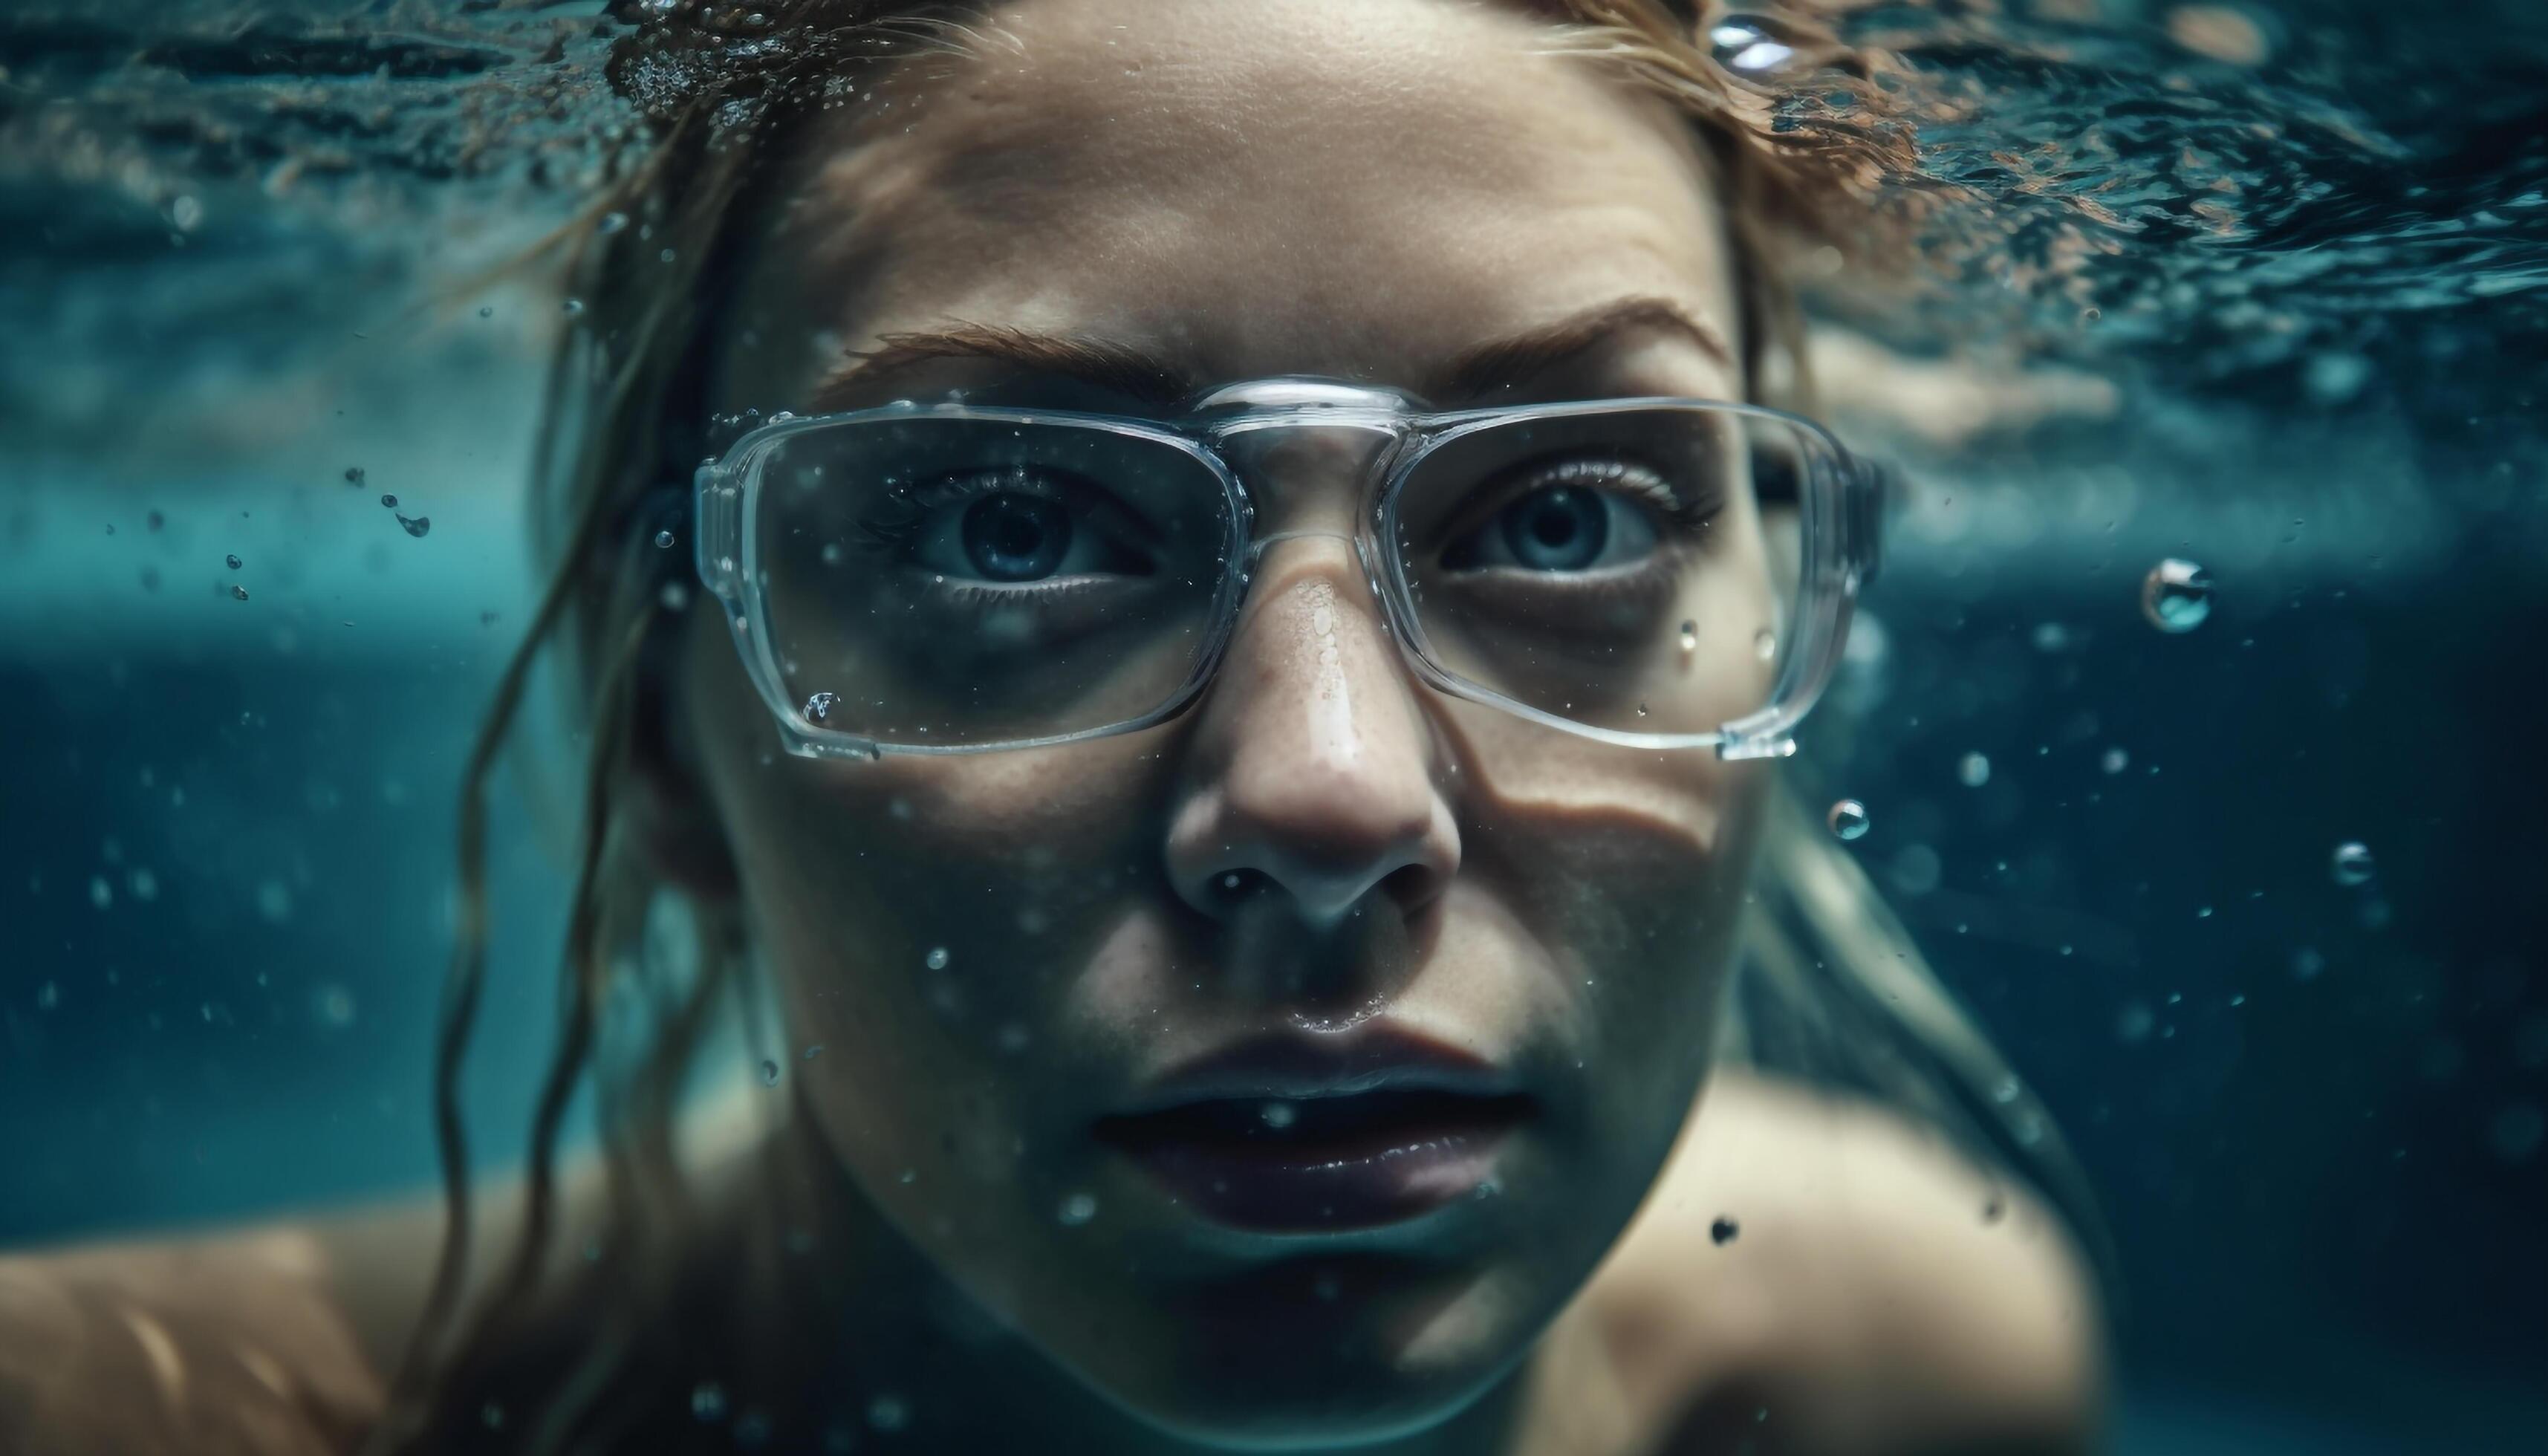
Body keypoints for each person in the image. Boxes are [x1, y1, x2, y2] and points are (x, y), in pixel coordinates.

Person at [0, 1, 2107, 1452]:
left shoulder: (1881, 1375)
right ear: (664, 737)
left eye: (1563, 518)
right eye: (1011, 529)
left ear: (1784, 616)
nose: (1325, 794)